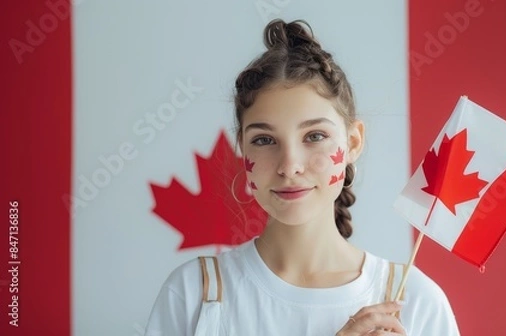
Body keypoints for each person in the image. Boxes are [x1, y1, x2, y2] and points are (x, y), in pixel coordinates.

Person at [144, 19, 461, 336]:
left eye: (315, 136)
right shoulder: (192, 295)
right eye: (265, 140)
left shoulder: (416, 303)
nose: (289, 166)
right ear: (242, 147)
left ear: (352, 142)